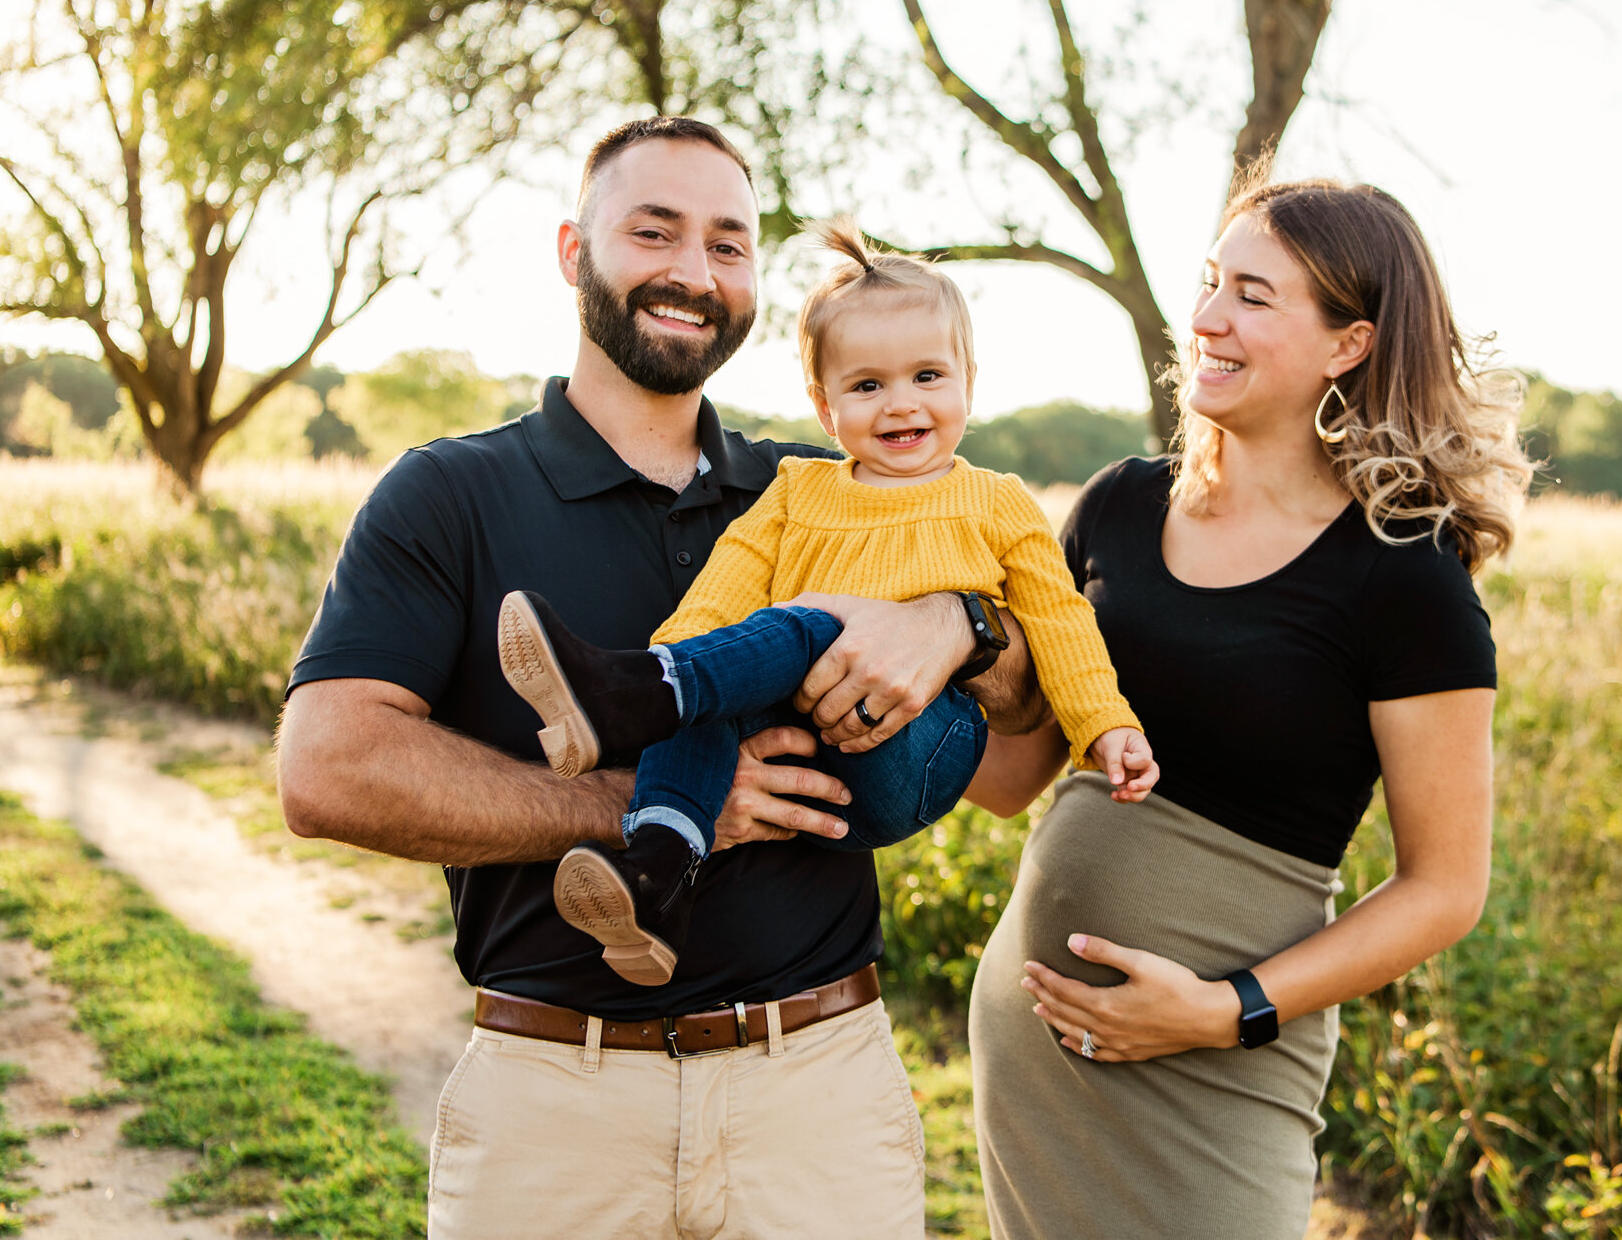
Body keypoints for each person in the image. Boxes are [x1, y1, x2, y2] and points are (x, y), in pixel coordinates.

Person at [275, 116, 1043, 1240]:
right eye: (655, 232)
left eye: (728, 245)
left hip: (815, 1095)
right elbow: (328, 771)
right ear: (572, 250)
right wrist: (655, 809)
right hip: (554, 1104)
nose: (693, 272)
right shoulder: (448, 493)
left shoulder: (829, 487)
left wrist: (959, 624)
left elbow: (1014, 771)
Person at [964, 176, 1534, 1239]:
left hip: (1211, 1076)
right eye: (1210, 284)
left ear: (1346, 344)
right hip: (1034, 1059)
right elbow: (1006, 781)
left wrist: (1226, 1010)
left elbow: (1445, 888)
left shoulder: (1401, 579)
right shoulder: (1118, 507)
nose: (1207, 319)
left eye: (1253, 297)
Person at [494, 216, 1155, 987]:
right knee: (708, 691)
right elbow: (720, 596)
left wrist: (1105, 724)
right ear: (824, 404)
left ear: (970, 377)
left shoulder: (995, 502)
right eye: (867, 385)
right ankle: (656, 878)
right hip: (805, 747)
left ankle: (632, 695)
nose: (900, 404)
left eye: (928, 377)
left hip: (917, 753)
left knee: (811, 619)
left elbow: (1060, 620)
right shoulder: (795, 492)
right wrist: (674, 666)